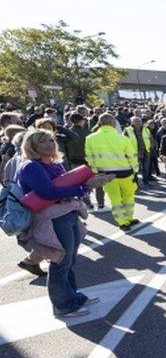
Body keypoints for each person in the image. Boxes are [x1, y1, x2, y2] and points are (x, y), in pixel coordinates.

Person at [15, 129, 111, 317]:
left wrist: (87, 185)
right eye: (43, 141)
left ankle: (72, 297)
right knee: (60, 260)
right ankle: (62, 305)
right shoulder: (31, 166)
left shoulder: (54, 164)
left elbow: (66, 188)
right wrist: (84, 186)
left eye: (51, 140)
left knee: (70, 259)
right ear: (32, 146)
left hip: (67, 213)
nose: (50, 144)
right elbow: (48, 192)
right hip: (52, 218)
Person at [85, 113, 139, 230]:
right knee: (129, 197)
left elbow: (89, 157)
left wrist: (96, 171)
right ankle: (129, 218)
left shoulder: (90, 138)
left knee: (115, 199)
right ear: (112, 123)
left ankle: (122, 222)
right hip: (125, 173)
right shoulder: (122, 138)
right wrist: (135, 170)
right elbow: (132, 156)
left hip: (106, 174)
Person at [123, 116, 153, 185]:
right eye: (136, 121)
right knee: (135, 169)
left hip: (145, 152)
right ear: (132, 122)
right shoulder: (127, 130)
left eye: (139, 121)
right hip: (134, 153)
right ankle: (135, 183)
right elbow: (124, 141)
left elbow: (150, 139)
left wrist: (151, 147)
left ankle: (145, 181)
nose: (138, 123)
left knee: (146, 168)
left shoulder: (146, 129)